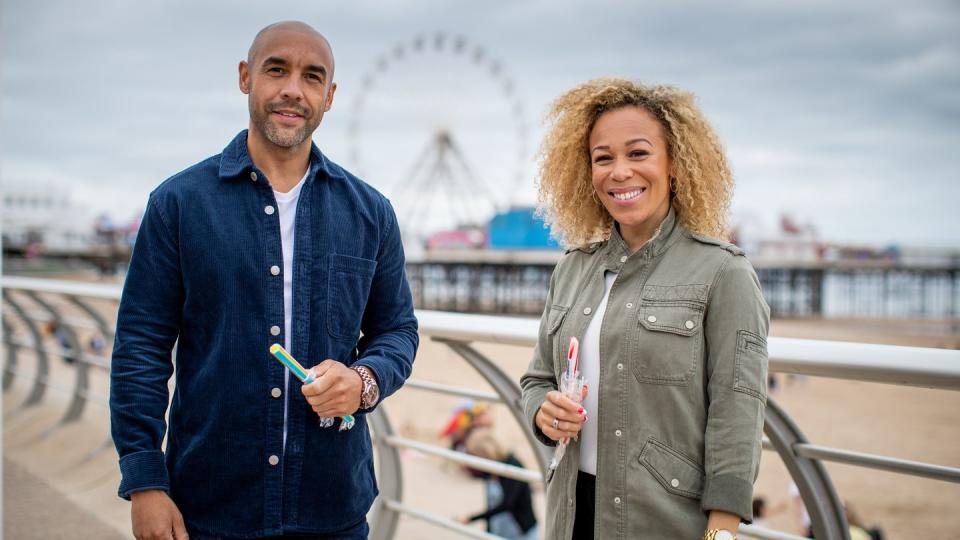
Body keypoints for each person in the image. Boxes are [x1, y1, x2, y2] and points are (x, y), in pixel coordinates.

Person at [110, 21, 419, 540]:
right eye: (277, 69)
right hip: (208, 508)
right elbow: (141, 347)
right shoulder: (178, 204)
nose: (293, 89)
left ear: (330, 96)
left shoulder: (371, 212)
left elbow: (398, 332)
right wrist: (145, 483)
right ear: (246, 77)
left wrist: (363, 382)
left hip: (332, 509)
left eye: (312, 77)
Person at [520, 78, 769, 539]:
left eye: (638, 154)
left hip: (667, 523)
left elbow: (739, 410)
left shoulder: (723, 272)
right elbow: (537, 379)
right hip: (570, 516)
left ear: (674, 163)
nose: (619, 172)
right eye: (603, 158)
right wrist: (542, 411)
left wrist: (723, 531)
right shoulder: (573, 269)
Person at [457, 429, 538, 540]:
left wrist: (471, 518)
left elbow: (506, 504)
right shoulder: (490, 468)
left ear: (485, 453)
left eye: (476, 456)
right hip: (498, 528)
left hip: (520, 530)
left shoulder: (513, 467)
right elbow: (491, 502)